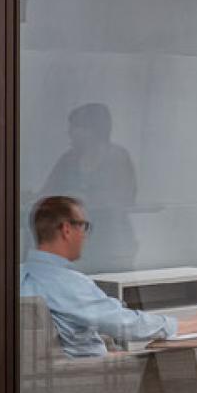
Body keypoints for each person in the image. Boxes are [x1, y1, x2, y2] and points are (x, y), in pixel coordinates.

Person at [21, 195, 197, 393]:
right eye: (84, 227)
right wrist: (191, 324)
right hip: (87, 382)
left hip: (49, 384)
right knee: (180, 364)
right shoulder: (68, 283)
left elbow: (60, 338)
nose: (85, 236)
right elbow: (125, 323)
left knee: (149, 362)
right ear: (66, 229)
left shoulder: (17, 276)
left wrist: (105, 352)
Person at [41, 103, 139, 272]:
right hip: (76, 243)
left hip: (112, 241)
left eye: (76, 128)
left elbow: (125, 196)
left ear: (93, 130)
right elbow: (48, 193)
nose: (70, 133)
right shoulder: (68, 160)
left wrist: (84, 199)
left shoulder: (117, 157)